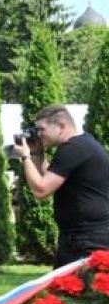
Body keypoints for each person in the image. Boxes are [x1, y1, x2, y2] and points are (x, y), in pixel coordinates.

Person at [14, 104, 109, 265]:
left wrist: (26, 157)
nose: (38, 134)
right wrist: (37, 153)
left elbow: (41, 190)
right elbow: (49, 179)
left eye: (41, 129)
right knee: (62, 288)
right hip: (81, 237)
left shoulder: (74, 149)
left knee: (76, 289)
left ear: (61, 126)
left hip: (87, 240)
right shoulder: (81, 144)